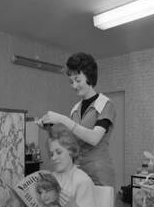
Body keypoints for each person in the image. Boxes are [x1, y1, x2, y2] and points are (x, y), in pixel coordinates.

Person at [38, 52, 116, 187]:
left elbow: (94, 138)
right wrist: (49, 126)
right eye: (71, 81)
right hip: (78, 169)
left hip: (99, 171)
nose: (74, 85)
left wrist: (64, 120)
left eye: (78, 80)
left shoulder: (105, 104)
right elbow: (71, 139)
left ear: (90, 78)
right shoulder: (75, 109)